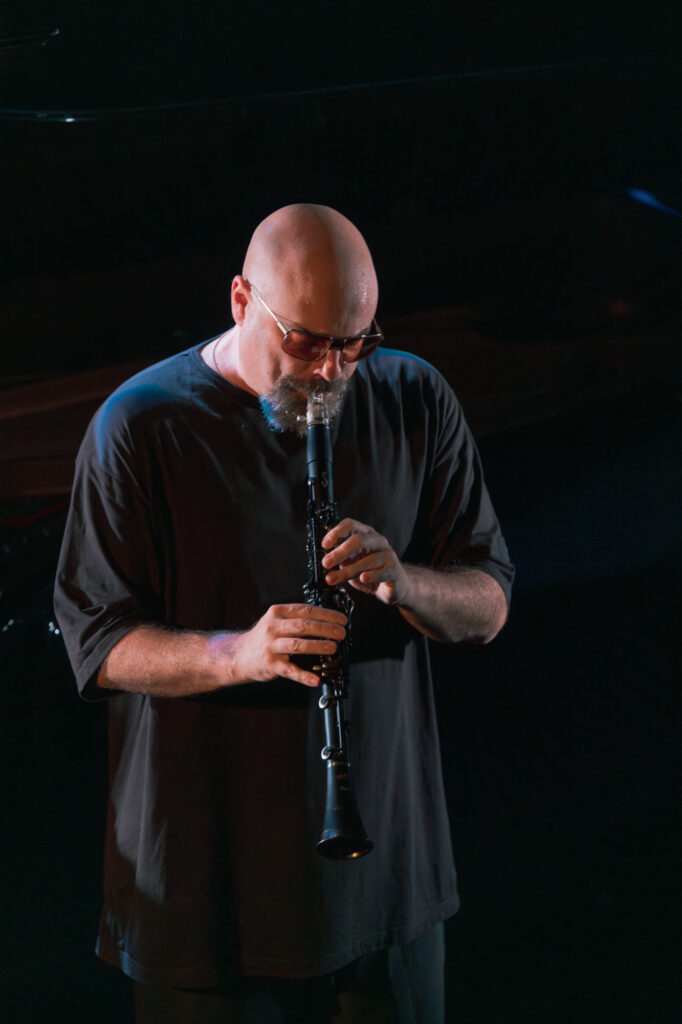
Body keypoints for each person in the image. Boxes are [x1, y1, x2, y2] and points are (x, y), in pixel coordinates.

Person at [55, 204, 514, 1023]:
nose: (332, 371)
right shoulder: (139, 426)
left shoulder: (413, 395)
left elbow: (488, 602)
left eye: (353, 344)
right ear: (240, 301)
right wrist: (239, 653)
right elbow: (97, 643)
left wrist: (407, 583)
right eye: (305, 341)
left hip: (382, 893)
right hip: (206, 897)